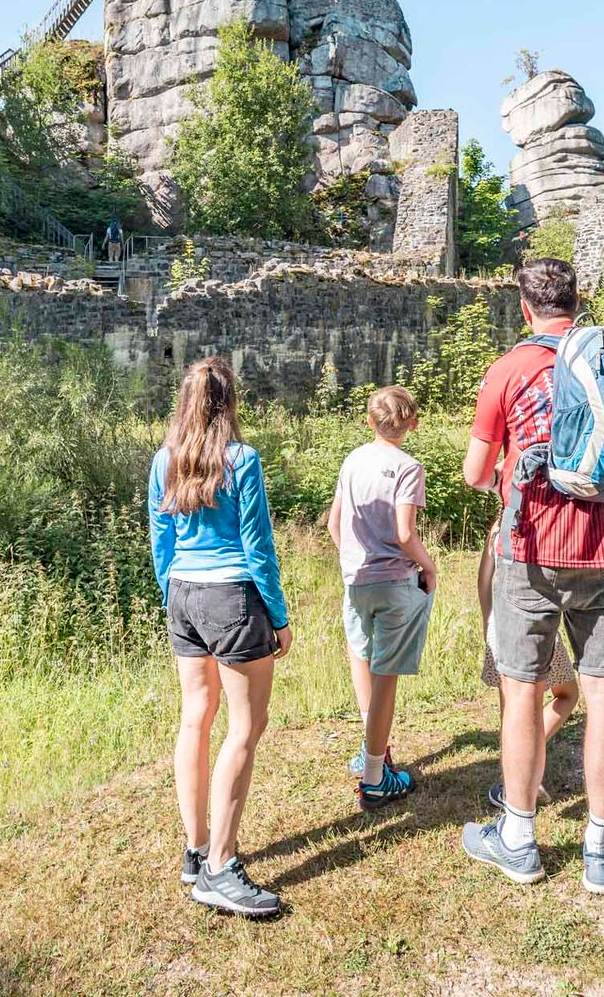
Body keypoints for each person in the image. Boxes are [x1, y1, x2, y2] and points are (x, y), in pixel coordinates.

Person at [459, 257, 604, 895]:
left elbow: (477, 475)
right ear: (578, 302)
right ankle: (599, 846)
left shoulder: (509, 369)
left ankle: (520, 839)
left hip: (529, 549)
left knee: (522, 689)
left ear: (525, 308)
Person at [148, 356, 291, 918]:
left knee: (194, 718)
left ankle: (196, 847)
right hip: (232, 594)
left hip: (184, 590)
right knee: (245, 728)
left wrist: (171, 595)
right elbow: (258, 547)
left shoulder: (165, 459)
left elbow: (161, 536)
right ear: (229, 402)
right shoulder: (242, 460)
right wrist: (277, 615)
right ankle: (221, 867)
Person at [325, 385, 436, 810]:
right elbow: (405, 533)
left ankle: (374, 751)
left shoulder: (353, 459)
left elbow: (335, 524)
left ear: (370, 421)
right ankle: (374, 778)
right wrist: (430, 567)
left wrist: (353, 558)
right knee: (386, 675)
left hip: (357, 579)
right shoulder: (408, 467)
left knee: (362, 657)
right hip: (395, 581)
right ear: (413, 423)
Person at [476, 530, 579, 811]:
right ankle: (523, 764)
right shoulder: (540, 527)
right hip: (533, 624)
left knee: (511, 707)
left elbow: (483, 582)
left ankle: (512, 778)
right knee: (567, 695)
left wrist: (489, 625)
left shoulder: (497, 529)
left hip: (500, 625)